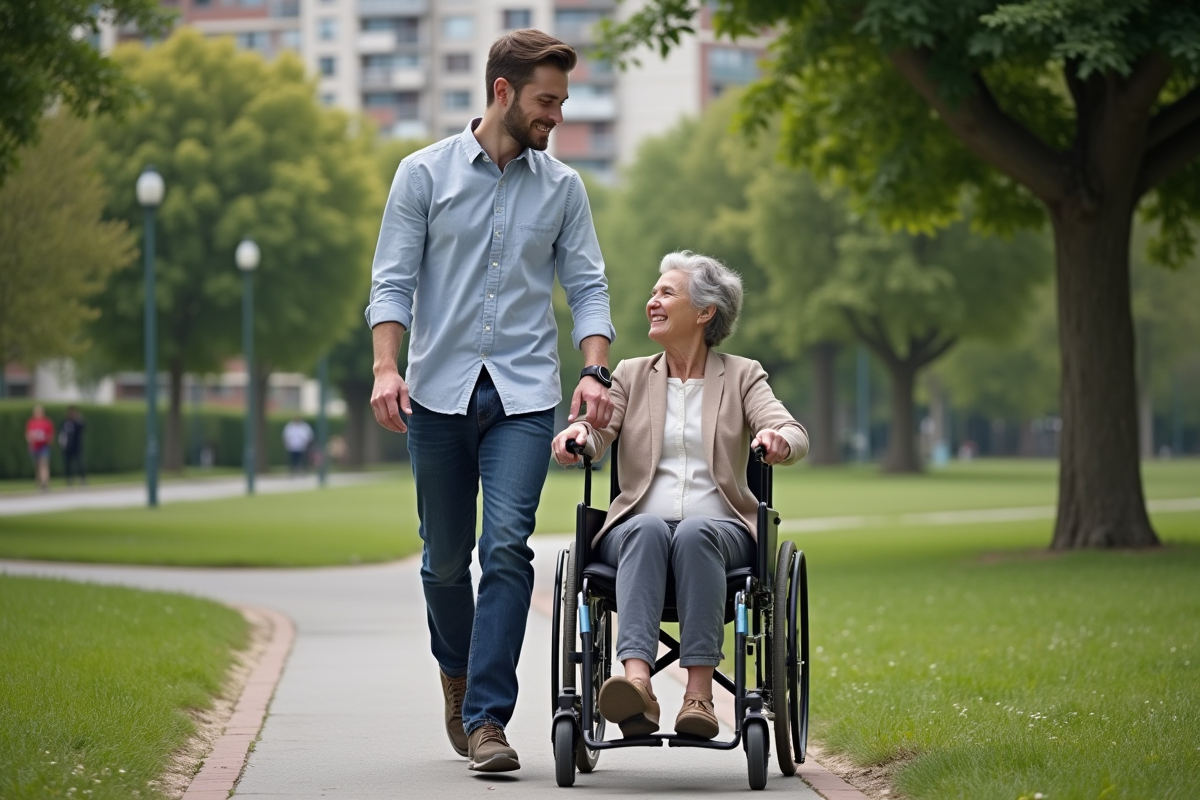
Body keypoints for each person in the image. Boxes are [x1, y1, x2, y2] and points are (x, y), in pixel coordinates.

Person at [366, 29, 615, 773]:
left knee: (505, 548)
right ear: (502, 91)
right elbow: (392, 281)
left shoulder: (563, 189)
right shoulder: (422, 175)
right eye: (546, 100)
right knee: (444, 564)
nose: (556, 116)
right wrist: (386, 367)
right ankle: (457, 671)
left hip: (524, 396)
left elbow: (590, 287)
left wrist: (594, 373)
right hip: (437, 395)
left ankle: (487, 722)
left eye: (563, 102)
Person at [552, 251, 808, 740]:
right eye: (653, 292)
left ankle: (699, 697)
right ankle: (637, 688)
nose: (653, 301)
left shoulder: (741, 375)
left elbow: (790, 429)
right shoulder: (629, 373)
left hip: (721, 530)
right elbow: (598, 429)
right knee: (647, 527)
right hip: (636, 531)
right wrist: (580, 435)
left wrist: (778, 440)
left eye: (666, 292)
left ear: (705, 311)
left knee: (695, 532)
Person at [24, 405, 56, 492]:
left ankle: (45, 483)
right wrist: (30, 440)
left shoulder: (47, 422)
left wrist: (48, 442)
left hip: (44, 446)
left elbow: (51, 434)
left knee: (44, 464)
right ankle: (39, 481)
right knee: (37, 465)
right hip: (34, 447)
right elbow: (28, 434)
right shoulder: (31, 422)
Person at [59, 406, 86, 486]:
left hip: (76, 446)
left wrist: (79, 420)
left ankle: (82, 478)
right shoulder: (65, 422)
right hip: (67, 446)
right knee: (68, 464)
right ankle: (69, 479)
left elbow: (83, 428)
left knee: (79, 463)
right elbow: (62, 434)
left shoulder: (77, 423)